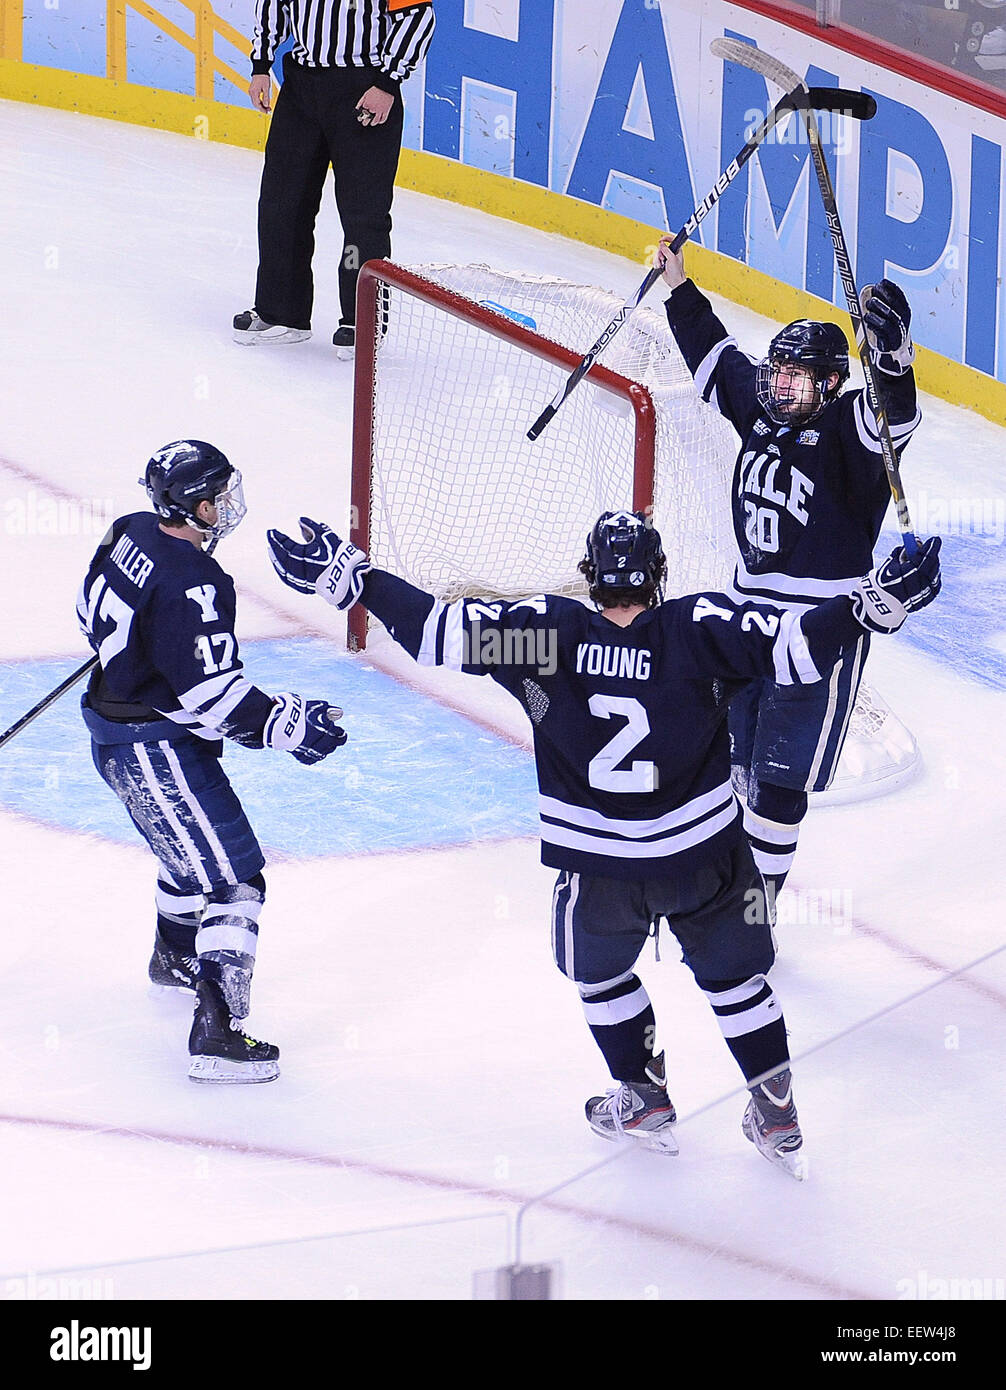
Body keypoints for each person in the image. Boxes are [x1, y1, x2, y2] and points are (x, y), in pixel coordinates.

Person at [265, 510, 941, 1176]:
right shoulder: (699, 628)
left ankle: (644, 1097)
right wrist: (872, 604)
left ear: (589, 576)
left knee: (600, 975)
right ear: (659, 575)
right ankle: (777, 1112)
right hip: (706, 855)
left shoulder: (543, 635)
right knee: (738, 982)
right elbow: (800, 645)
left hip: (602, 866)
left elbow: (433, 630)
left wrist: (352, 579)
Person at [656, 238, 922, 910]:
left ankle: (758, 907)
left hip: (820, 630)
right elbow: (715, 357)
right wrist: (678, 285)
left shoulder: (845, 432)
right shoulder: (763, 406)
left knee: (781, 778)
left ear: (829, 386)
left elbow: (894, 414)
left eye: (795, 381)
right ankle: (725, 885)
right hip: (748, 622)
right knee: (735, 762)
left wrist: (892, 359)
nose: (779, 388)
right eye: (776, 375)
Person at [76, 442, 347, 1083]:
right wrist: (287, 725)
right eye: (220, 494)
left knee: (193, 855)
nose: (228, 503)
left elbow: (95, 617)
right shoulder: (195, 581)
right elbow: (211, 696)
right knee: (237, 880)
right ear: (199, 506)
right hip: (149, 746)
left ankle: (173, 961)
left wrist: (131, 657)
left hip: (123, 725)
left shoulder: (131, 530)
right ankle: (216, 1033)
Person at [234, 0, 436, 357]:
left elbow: (418, 19)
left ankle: (362, 323)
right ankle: (281, 311)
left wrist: (387, 83)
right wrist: (261, 64)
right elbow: (272, 6)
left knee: (363, 215)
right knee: (282, 203)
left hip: (364, 88)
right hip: (301, 87)